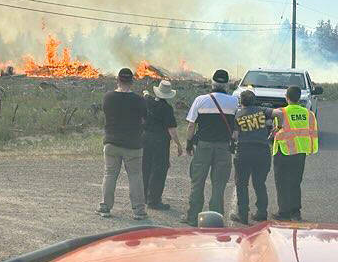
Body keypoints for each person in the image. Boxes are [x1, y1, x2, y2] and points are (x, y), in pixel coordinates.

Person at [184, 69, 238, 226]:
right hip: (223, 148)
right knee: (219, 184)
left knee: (197, 182)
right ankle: (216, 219)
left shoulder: (200, 100)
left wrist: (188, 143)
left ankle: (193, 217)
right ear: (227, 85)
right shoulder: (234, 102)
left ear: (212, 83)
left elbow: (191, 125)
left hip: (203, 146)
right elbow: (235, 128)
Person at [99, 67, 148, 220]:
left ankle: (105, 207)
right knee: (135, 177)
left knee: (110, 174)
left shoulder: (108, 97)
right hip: (133, 144)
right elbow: (145, 118)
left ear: (118, 80)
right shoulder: (140, 100)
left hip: (112, 142)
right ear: (132, 82)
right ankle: (139, 211)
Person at [271, 85, 319, 221]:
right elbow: (313, 133)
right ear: (299, 99)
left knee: (281, 183)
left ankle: (283, 212)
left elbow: (277, 131)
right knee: (295, 182)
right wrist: (311, 149)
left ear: (286, 97)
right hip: (300, 152)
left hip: (283, 151)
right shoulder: (309, 114)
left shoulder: (280, 112)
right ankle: (295, 212)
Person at [230, 88, 273, 223]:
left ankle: (242, 215)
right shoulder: (262, 111)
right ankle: (261, 213)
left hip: (244, 151)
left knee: (242, 184)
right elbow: (277, 113)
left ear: (241, 102)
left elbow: (235, 135)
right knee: (259, 183)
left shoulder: (238, 115)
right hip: (263, 151)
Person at [142, 79, 182, 210]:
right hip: (160, 141)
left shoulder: (148, 101)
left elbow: (146, 95)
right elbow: (172, 130)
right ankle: (154, 200)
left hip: (146, 138)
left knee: (146, 166)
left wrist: (146, 92)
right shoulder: (167, 109)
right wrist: (178, 144)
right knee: (159, 169)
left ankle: (144, 196)